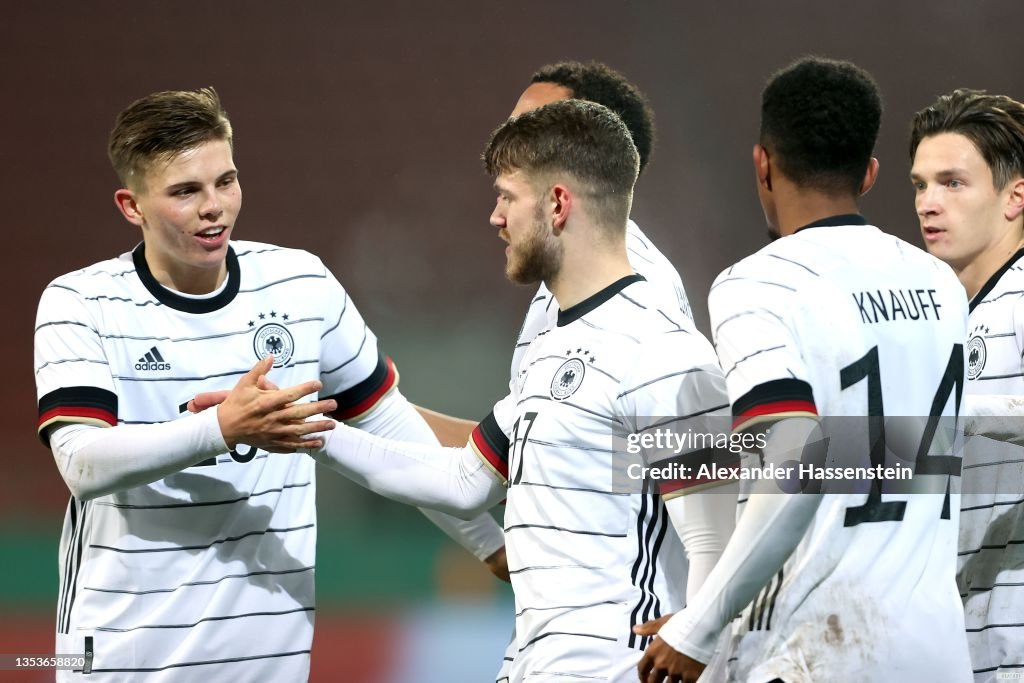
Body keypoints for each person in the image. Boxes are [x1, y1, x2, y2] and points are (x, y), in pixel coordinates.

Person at [32, 87, 502, 681]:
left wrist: (488, 542)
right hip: (126, 660)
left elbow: (390, 428)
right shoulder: (80, 303)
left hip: (267, 662)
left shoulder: (301, 284)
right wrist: (222, 428)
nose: (215, 207)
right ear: (132, 206)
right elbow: (81, 463)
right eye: (185, 192)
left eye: (225, 182)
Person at [299, 99, 736, 683]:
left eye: (507, 196)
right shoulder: (551, 347)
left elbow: (715, 539)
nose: (495, 217)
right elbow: (461, 484)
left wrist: (695, 642)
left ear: (557, 204)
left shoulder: (661, 348)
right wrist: (310, 433)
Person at [635, 56, 973, 682]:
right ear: (869, 175)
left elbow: (797, 465)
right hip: (939, 655)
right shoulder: (940, 284)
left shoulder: (756, 285)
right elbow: (891, 451)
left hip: (820, 653)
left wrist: (700, 625)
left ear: (761, 163)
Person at [910, 89, 1024, 683]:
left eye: (953, 182)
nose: (929, 203)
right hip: (964, 639)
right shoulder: (944, 315)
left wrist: (965, 416)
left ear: (1015, 196)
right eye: (920, 184)